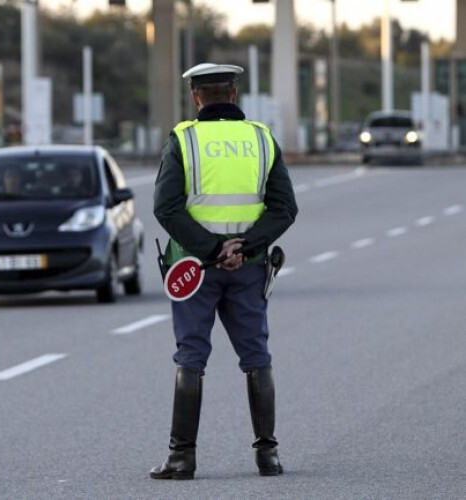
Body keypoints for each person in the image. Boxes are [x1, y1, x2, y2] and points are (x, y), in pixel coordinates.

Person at [150, 63, 298, 480]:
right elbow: (284, 207)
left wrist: (212, 249)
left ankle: (182, 459)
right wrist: (243, 247)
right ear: (233, 94)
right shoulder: (261, 139)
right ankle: (267, 456)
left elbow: (166, 208)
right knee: (256, 356)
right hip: (248, 268)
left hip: (195, 269)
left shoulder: (183, 140)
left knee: (191, 357)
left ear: (196, 97)